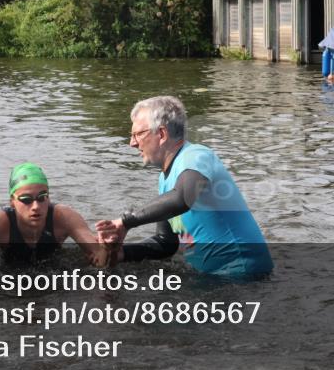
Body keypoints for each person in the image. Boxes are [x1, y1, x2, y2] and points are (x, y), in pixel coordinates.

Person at [96, 96, 273, 279]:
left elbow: (182, 198)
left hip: (242, 275)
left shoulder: (196, 156)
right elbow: (165, 243)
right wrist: (121, 253)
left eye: (138, 134)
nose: (132, 143)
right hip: (210, 278)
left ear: (162, 134)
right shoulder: (165, 181)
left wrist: (126, 221)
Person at [0, 162, 108, 269]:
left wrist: (106, 249)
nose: (36, 206)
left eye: (42, 197)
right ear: (12, 201)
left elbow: (98, 255)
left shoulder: (64, 217)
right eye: (26, 200)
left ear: (49, 197)